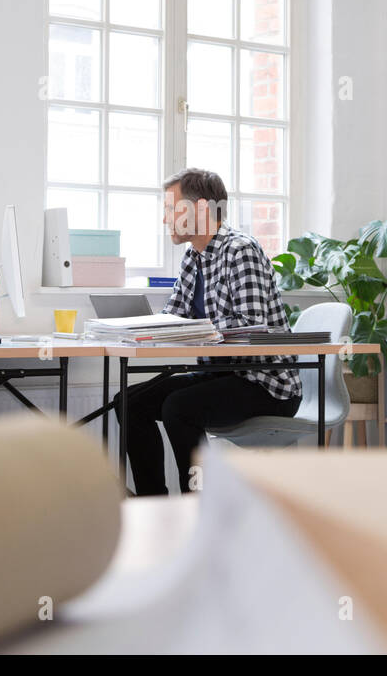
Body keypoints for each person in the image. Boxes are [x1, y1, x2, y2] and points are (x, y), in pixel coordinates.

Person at [117, 168, 301, 495]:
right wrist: (135, 329)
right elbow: (173, 316)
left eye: (172, 210)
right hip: (222, 375)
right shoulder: (193, 257)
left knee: (179, 408)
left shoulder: (240, 250)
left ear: (201, 210)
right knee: (129, 402)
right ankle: (153, 503)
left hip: (265, 383)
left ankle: (196, 507)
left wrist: (194, 332)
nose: (165, 220)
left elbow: (251, 330)